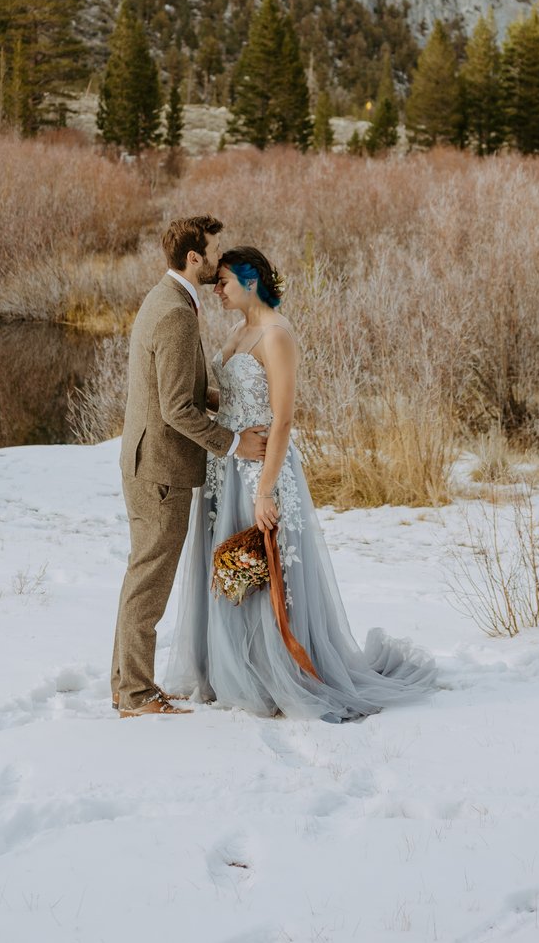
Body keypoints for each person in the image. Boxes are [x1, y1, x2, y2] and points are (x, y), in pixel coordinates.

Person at [166, 245, 435, 721]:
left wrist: (265, 489)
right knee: (229, 569)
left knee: (262, 571)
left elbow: (284, 418)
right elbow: (226, 396)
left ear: (250, 282)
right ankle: (228, 669)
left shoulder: (276, 336)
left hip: (259, 470)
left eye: (224, 281)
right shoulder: (238, 331)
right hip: (224, 468)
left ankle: (270, 672)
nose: (217, 290)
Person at [111, 216, 269, 717]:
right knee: (149, 580)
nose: (219, 259)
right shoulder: (176, 313)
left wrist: (229, 399)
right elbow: (176, 407)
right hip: (160, 467)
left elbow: (179, 386)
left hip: (146, 460)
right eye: (214, 250)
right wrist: (232, 443)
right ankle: (135, 695)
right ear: (194, 257)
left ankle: (127, 685)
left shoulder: (168, 298)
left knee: (143, 574)